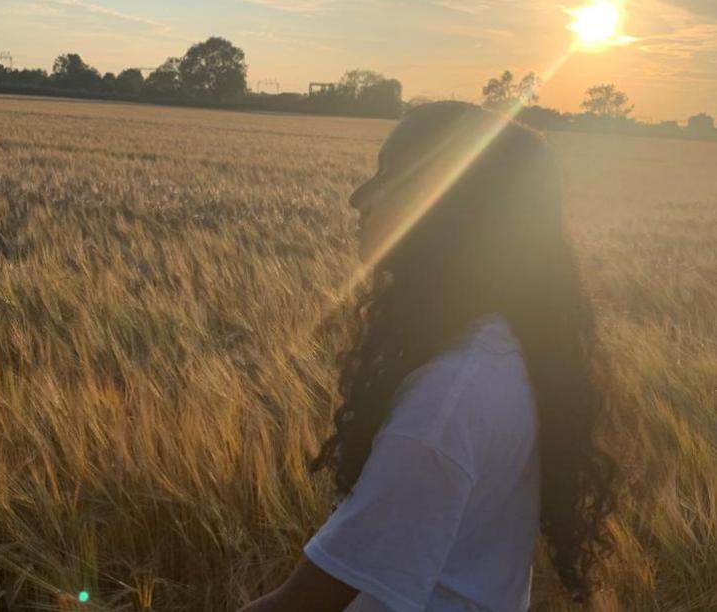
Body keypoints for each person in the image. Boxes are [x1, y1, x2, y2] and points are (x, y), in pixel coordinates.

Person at [238, 101, 617, 612]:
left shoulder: (445, 403)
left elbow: (302, 605)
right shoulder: (502, 347)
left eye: (390, 177)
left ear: (454, 208)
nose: (358, 198)